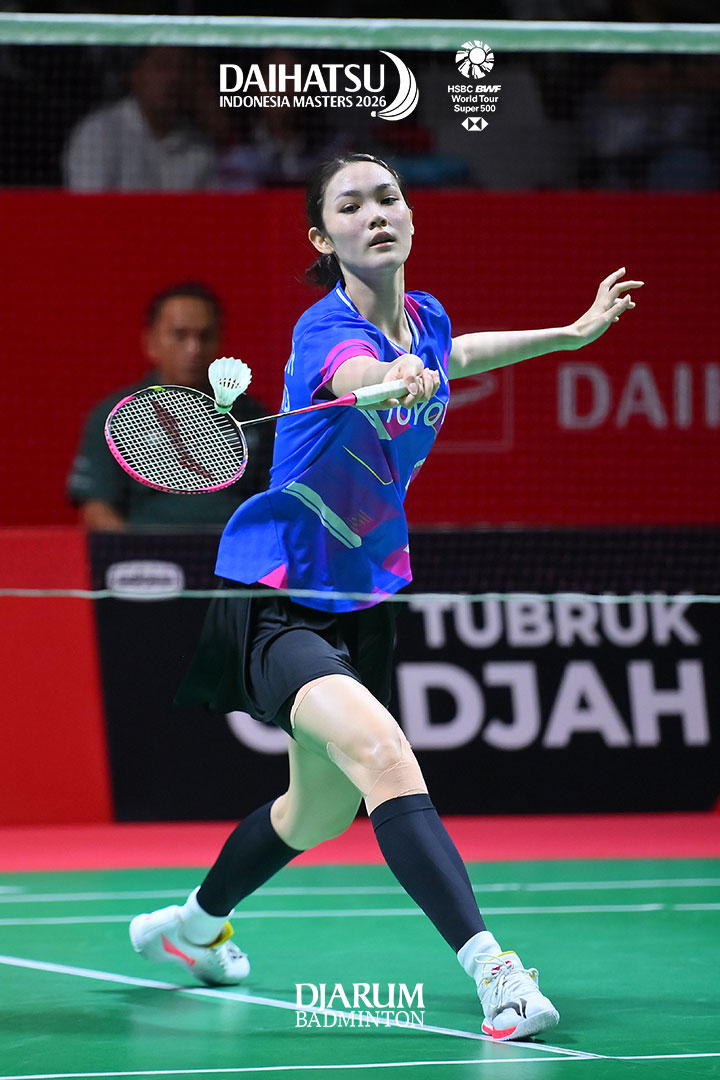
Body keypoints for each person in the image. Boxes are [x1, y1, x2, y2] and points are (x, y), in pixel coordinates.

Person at [128, 153, 642, 1040]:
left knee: (315, 812)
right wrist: (388, 377)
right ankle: (497, 974)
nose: (375, 213)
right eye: (351, 206)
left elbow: (457, 352)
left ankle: (195, 927)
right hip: (279, 594)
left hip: (361, 602)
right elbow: (354, 375)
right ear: (323, 238)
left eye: (388, 197)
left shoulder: (426, 318)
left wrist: (568, 334)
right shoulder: (325, 331)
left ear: (410, 216)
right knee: (386, 758)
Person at [67, 282, 273, 529]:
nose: (194, 349)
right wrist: (136, 549)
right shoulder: (113, 416)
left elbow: (274, 502)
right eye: (179, 335)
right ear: (150, 342)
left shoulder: (253, 417)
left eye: (205, 336)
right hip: (148, 549)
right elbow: (96, 509)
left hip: (232, 548)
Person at [62, 46, 217, 191]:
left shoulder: (201, 147)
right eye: (162, 66)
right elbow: (89, 207)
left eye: (184, 68)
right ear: (135, 74)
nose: (174, 78)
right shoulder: (99, 132)